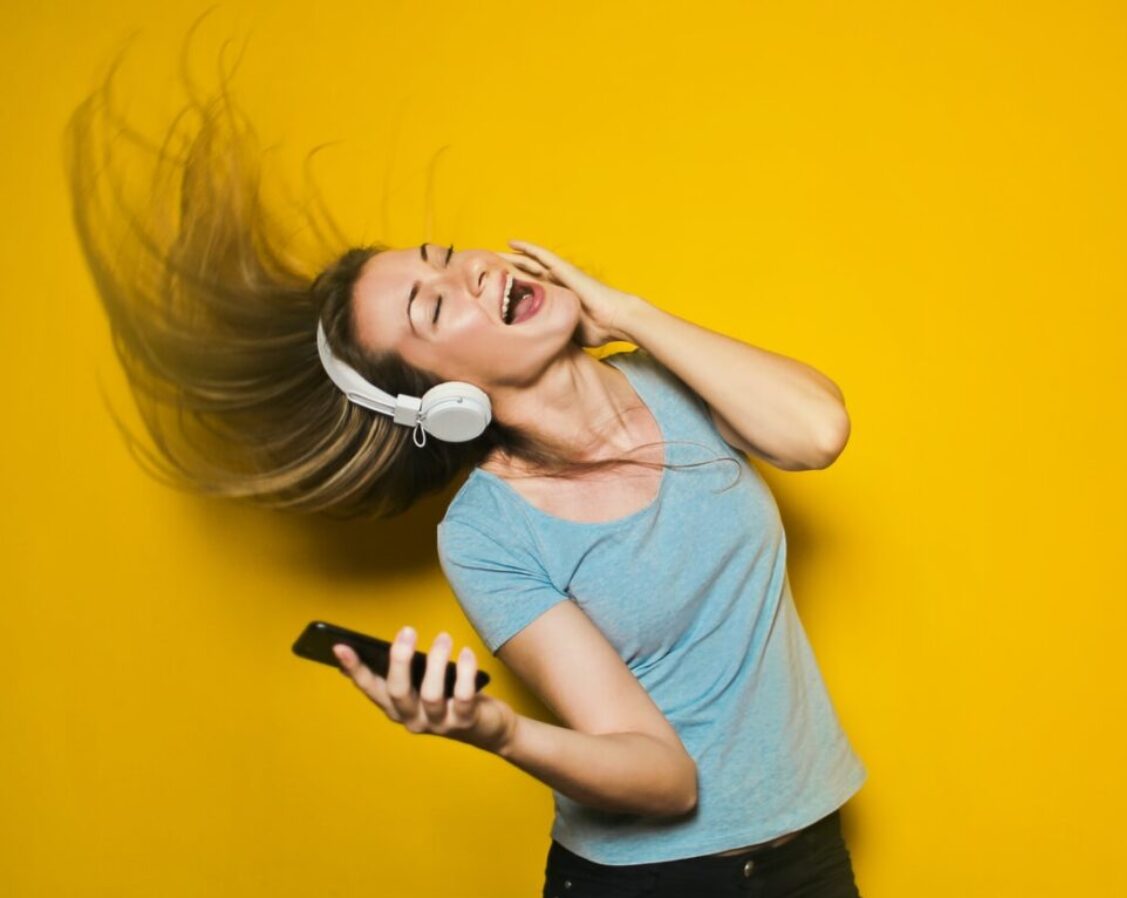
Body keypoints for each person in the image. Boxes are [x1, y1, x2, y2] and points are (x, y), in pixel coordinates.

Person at [65, 35, 867, 898]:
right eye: (433, 306)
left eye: (449, 260)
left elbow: (816, 432)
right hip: (653, 882)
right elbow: (665, 779)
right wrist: (493, 730)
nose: (476, 274)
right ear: (443, 402)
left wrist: (626, 308)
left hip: (806, 849)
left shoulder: (670, 378)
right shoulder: (487, 533)